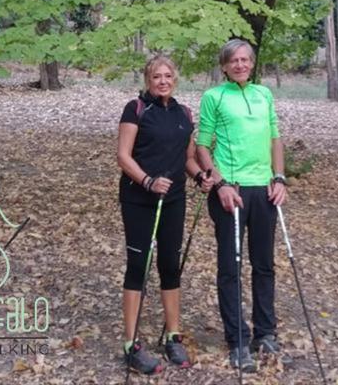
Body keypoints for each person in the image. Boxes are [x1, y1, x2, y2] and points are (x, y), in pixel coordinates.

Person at [117, 54, 213, 374]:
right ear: (148, 80)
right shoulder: (136, 109)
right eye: (156, 76)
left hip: (173, 200)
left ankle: (173, 336)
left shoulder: (184, 113)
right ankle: (131, 344)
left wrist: (200, 176)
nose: (163, 81)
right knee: (139, 266)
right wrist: (147, 181)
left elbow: (186, 158)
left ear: (175, 79)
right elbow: (123, 156)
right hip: (139, 199)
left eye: (168, 76)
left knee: (170, 265)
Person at [196, 39, 287, 372]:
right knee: (230, 268)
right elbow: (202, 146)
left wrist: (279, 177)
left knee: (264, 265)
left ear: (252, 62)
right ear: (224, 66)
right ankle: (237, 340)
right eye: (234, 60)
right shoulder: (214, 96)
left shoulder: (264, 94)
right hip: (230, 191)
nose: (240, 65)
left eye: (245, 59)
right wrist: (219, 183)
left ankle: (265, 332)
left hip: (264, 190)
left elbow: (275, 138)